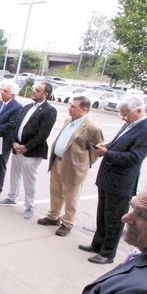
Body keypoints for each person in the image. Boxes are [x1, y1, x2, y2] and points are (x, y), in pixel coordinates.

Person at [79, 95, 147, 264]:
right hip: (107, 178)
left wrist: (107, 153)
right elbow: (119, 144)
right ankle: (97, 244)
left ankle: (108, 253)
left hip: (121, 182)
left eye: (126, 114)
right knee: (102, 214)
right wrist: (107, 146)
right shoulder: (130, 124)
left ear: (138, 110)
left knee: (114, 219)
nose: (124, 118)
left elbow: (134, 157)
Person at [38, 96, 104, 236]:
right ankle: (53, 216)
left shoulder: (93, 127)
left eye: (74, 107)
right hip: (58, 161)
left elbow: (97, 151)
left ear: (84, 109)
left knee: (71, 196)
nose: (69, 108)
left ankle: (67, 223)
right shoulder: (68, 120)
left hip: (74, 167)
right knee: (55, 190)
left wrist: (83, 164)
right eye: (70, 105)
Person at [0, 82, 57, 219]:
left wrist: (26, 147)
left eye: (38, 90)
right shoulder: (27, 107)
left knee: (29, 179)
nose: (34, 91)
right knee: (14, 173)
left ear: (45, 94)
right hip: (17, 147)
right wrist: (14, 142)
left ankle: (29, 206)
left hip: (32, 151)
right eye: (35, 89)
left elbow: (43, 134)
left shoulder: (49, 111)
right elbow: (16, 126)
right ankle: (12, 198)